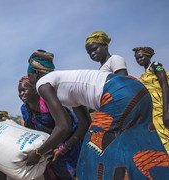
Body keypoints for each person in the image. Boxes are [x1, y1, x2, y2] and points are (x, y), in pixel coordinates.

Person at [24, 69, 169, 179]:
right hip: (136, 89)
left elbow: (63, 126)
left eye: (29, 76)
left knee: (93, 151)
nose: (30, 81)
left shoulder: (42, 84)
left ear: (36, 74)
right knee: (139, 147)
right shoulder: (65, 85)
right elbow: (85, 123)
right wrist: (63, 148)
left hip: (117, 94)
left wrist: (38, 153)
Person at [18, 76, 82, 179]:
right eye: (19, 92)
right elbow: (30, 129)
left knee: (74, 173)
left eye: (24, 90)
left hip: (68, 143)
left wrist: (40, 152)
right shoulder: (25, 109)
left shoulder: (47, 102)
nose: (21, 94)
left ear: (34, 89)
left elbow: (65, 126)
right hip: (49, 147)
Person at [133, 46, 169, 153]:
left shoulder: (156, 65)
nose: (139, 60)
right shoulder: (144, 74)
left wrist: (166, 112)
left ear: (148, 55)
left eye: (140, 57)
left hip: (162, 107)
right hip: (154, 111)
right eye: (137, 58)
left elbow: (164, 84)